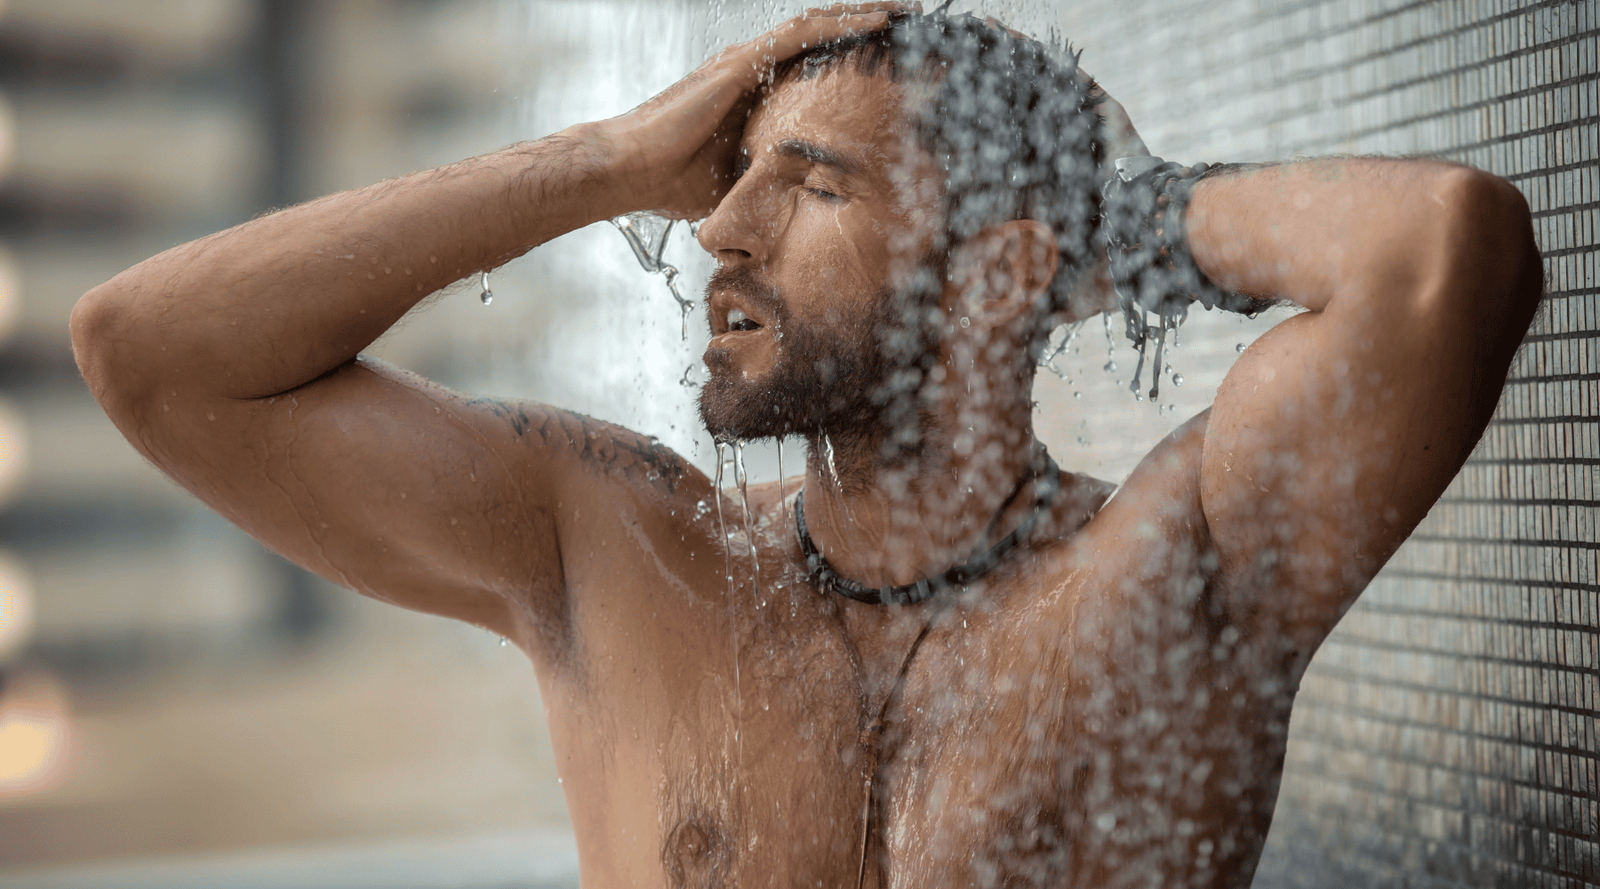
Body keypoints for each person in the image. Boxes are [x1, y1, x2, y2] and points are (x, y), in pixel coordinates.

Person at [70, 4, 1542, 887]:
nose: (717, 229)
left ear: (1002, 273)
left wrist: (1120, 217)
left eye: (811, 187)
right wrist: (605, 161)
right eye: (727, 185)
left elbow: (1441, 251)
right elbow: (150, 355)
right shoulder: (621, 547)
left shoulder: (1178, 572)